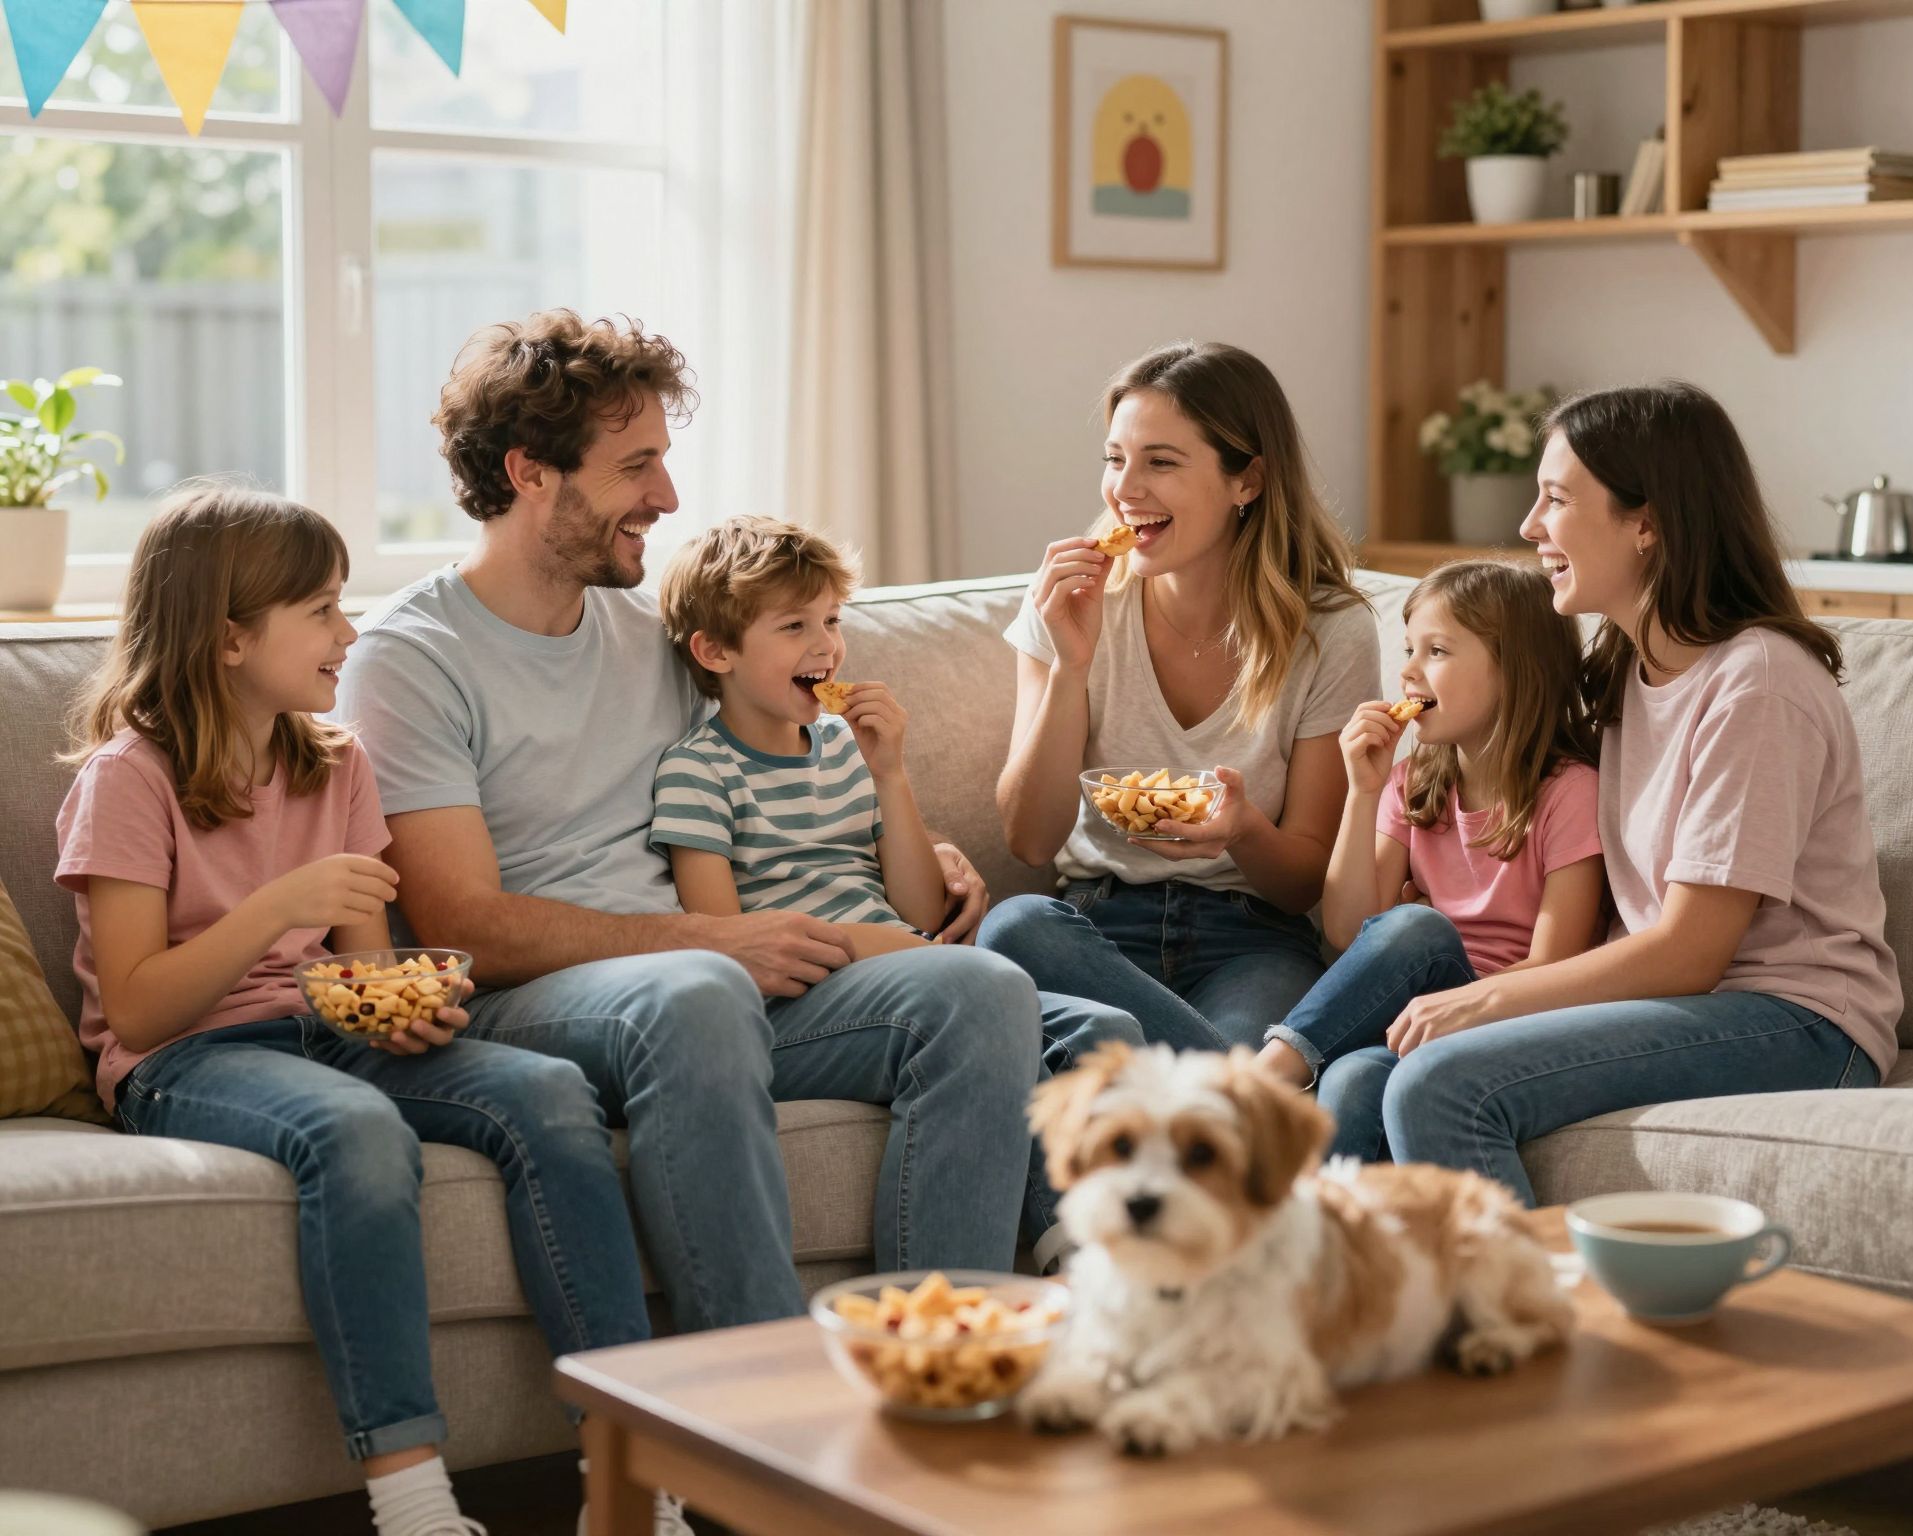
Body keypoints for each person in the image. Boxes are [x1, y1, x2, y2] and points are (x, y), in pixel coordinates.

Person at [335, 310, 1127, 1321]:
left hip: (704, 978)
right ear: (531, 471)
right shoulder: (411, 659)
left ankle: (928, 1354)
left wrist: (908, 842)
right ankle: (752, 1409)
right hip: (543, 1003)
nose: (665, 498)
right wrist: (709, 939)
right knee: (699, 991)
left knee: (980, 990)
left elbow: (765, 772)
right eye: (635, 468)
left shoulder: (650, 631)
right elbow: (462, 923)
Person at [55, 485, 652, 1536]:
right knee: (356, 1129)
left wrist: (405, 1013)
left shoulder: (335, 760)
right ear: (230, 636)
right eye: (322, 611)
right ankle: (413, 1499)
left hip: (326, 1033)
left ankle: (631, 1479)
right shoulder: (128, 779)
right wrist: (275, 909)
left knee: (552, 1097)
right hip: (191, 1057)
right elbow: (141, 1011)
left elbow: (365, 979)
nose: (350, 630)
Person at [1371, 381, 1899, 1204]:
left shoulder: (1756, 685)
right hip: (1696, 1001)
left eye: (1553, 499)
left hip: (1799, 1021)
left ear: (1645, 523)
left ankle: (1522, 1326)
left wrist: (1486, 1001)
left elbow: (1690, 951)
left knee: (1440, 1083)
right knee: (1375, 1069)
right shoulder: (1626, 670)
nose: (1529, 527)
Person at [980, 341, 1379, 1052]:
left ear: (1247, 481)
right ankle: (1231, 1099)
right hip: (1093, 926)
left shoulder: (1330, 630)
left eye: (1160, 462)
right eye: (1114, 458)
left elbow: (1302, 883)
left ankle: (1177, 1089)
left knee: (1099, 1056)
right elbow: (1030, 838)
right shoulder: (1071, 605)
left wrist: (1244, 831)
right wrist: (1070, 665)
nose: (1124, 489)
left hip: (1251, 939)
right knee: (1014, 926)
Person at [1253, 560, 1606, 1160]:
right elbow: (1345, 931)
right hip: (1417, 1017)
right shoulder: (1410, 782)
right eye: (1410, 648)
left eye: (1436, 651)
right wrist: (1363, 792)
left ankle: (1262, 1078)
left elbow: (1556, 964)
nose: (1408, 670)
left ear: (1516, 671)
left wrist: (1448, 1001)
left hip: (1508, 1010)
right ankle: (1339, 1242)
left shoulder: (1571, 791)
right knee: (1352, 1078)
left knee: (1416, 925)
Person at [653, 516, 951, 958]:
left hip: (911, 961)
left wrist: (890, 775)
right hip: (810, 989)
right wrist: (884, 946)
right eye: (794, 626)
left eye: (832, 619)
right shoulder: (696, 772)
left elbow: (924, 913)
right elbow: (727, 945)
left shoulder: (849, 746)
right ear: (716, 651)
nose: (827, 645)